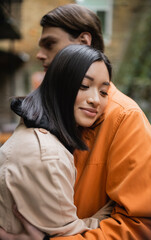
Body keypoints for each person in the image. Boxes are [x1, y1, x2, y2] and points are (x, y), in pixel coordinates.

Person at [0, 3, 151, 240]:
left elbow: (143, 225)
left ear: (84, 43)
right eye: (84, 87)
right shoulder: (45, 125)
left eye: (50, 44)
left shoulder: (124, 118)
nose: (39, 55)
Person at [0, 44, 113, 236]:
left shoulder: (34, 133)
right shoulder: (47, 156)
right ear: (59, 86)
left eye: (103, 92)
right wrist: (115, 209)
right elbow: (70, 236)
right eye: (83, 86)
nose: (95, 99)